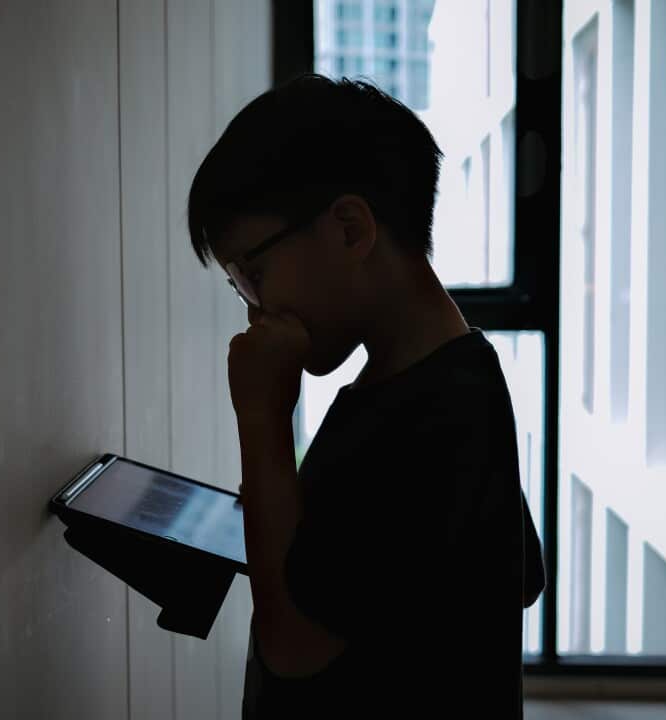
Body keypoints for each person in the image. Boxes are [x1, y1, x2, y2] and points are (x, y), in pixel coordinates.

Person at [185, 73, 546, 718]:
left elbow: (293, 645)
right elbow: (522, 570)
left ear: (350, 229)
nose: (253, 309)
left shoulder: (433, 411)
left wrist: (262, 417)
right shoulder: (449, 379)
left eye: (254, 273)